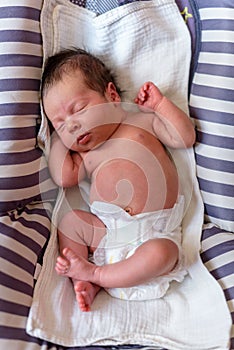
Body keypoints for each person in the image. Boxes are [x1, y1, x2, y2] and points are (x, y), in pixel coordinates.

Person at [41, 48, 195, 312]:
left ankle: (96, 275)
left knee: (163, 253)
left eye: (78, 109)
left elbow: (185, 137)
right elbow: (63, 177)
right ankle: (84, 279)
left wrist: (160, 106)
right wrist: (55, 141)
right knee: (72, 222)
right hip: (108, 233)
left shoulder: (143, 122)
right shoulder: (86, 156)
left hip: (153, 232)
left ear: (111, 96)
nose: (72, 125)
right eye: (61, 124)